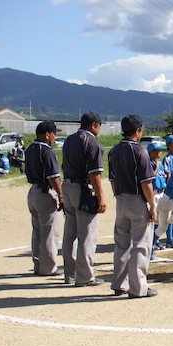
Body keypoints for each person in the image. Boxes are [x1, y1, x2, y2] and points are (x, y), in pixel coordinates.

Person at [108, 115, 158, 298]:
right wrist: (152, 205)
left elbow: (112, 179)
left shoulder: (114, 150)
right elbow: (146, 183)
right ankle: (138, 288)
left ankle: (119, 284)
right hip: (137, 199)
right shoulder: (140, 152)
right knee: (140, 245)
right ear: (137, 130)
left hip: (121, 199)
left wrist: (119, 196)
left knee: (121, 244)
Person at [61, 111, 107, 286]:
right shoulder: (92, 142)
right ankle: (85, 276)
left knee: (70, 233)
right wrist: (101, 195)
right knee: (87, 234)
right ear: (93, 125)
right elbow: (94, 173)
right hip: (82, 188)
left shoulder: (69, 140)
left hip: (67, 186)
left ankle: (70, 274)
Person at [25, 121, 64, 276]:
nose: (55, 137)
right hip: (45, 193)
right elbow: (53, 176)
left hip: (33, 191)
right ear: (47, 134)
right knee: (49, 232)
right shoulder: (46, 150)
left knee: (37, 231)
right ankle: (48, 267)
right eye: (54, 133)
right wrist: (61, 194)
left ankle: (38, 264)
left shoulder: (30, 148)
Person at [147, 142, 167, 259]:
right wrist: (157, 167)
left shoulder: (160, 163)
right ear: (152, 152)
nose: (160, 152)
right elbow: (150, 177)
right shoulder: (149, 163)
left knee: (159, 221)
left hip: (162, 192)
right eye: (158, 151)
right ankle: (149, 247)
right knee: (152, 220)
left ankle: (154, 243)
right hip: (153, 193)